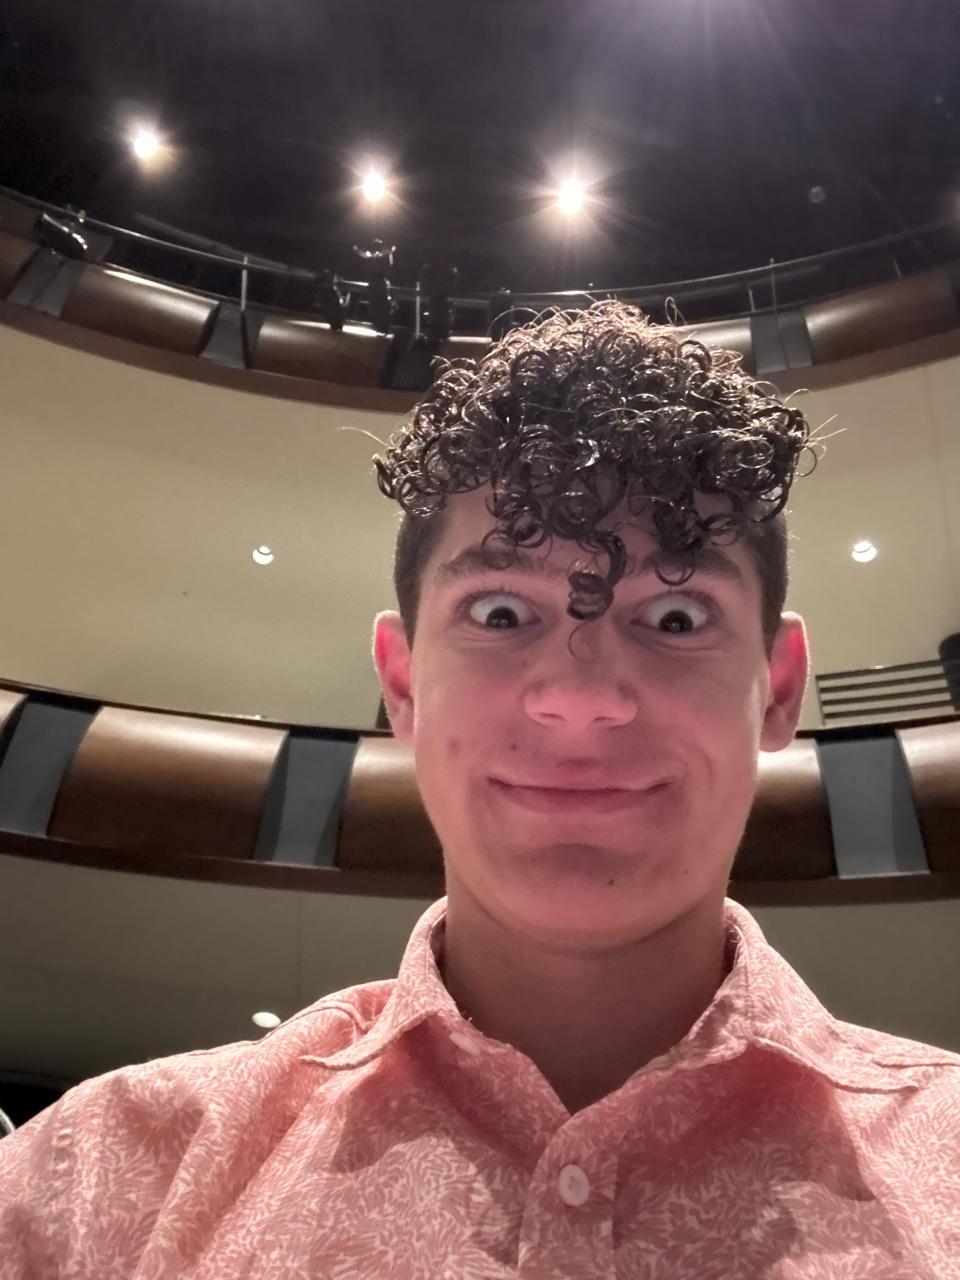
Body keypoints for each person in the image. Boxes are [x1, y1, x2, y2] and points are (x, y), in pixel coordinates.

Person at [2, 301, 958, 1278]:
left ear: (780, 686)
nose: (580, 698)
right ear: (403, 682)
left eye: (676, 616)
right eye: (501, 611)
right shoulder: (94, 1182)